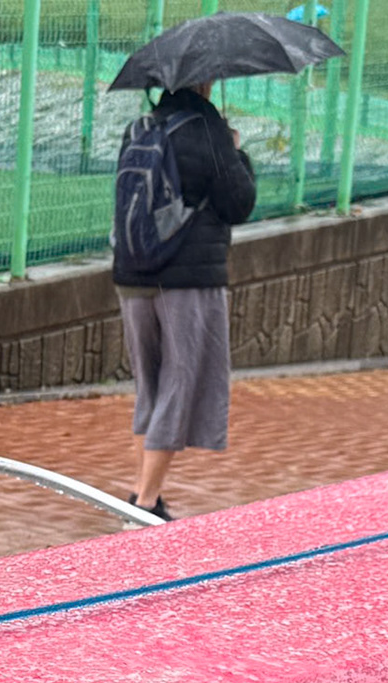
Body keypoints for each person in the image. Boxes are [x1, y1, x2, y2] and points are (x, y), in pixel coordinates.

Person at [112, 81, 256, 521]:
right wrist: (236, 153)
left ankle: (140, 492)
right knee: (180, 384)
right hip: (187, 280)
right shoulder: (209, 131)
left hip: (132, 276)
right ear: (204, 82)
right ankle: (146, 504)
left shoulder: (139, 128)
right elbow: (239, 204)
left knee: (150, 387)